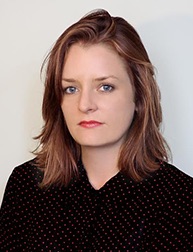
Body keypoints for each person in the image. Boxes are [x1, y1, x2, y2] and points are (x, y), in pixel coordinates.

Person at [0, 9, 192, 251]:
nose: (85, 104)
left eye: (105, 87)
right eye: (71, 89)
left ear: (139, 96)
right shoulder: (25, 187)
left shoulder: (179, 199)